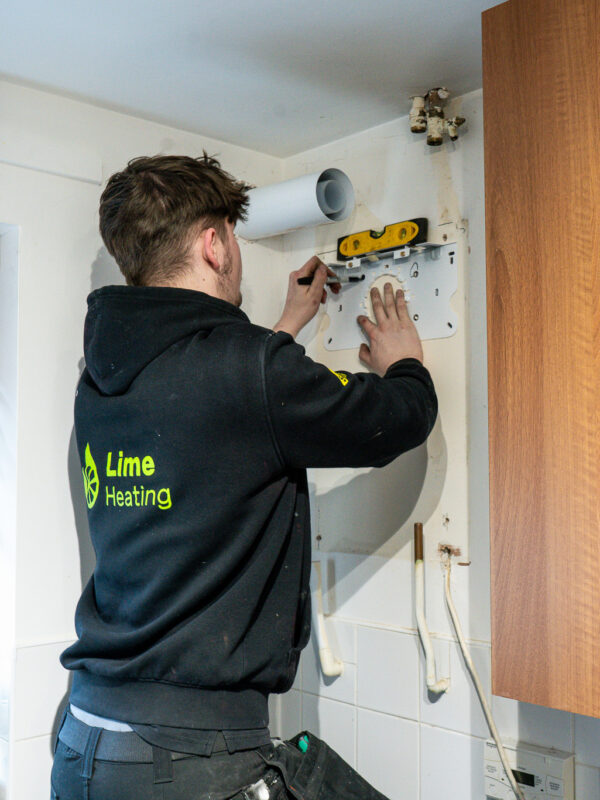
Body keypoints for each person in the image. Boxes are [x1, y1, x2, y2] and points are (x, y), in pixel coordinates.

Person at [51, 153, 437, 800]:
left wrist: (282, 331)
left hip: (86, 743)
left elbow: (209, 428)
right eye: (232, 233)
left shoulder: (99, 379)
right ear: (213, 245)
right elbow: (394, 420)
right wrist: (406, 367)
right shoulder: (248, 372)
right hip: (189, 758)